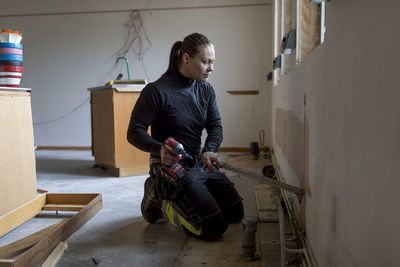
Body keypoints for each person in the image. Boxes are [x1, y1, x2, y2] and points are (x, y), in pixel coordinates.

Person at [127, 33, 243, 240]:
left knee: (235, 213)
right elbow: (134, 132)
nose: (211, 68)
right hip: (169, 165)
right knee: (214, 228)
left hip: (198, 162)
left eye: (213, 62)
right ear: (187, 58)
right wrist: (160, 149)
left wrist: (209, 150)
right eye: (206, 62)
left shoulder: (205, 90)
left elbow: (215, 125)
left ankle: (192, 194)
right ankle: (163, 202)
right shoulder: (156, 91)